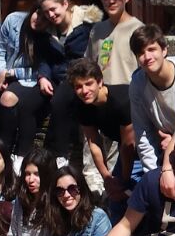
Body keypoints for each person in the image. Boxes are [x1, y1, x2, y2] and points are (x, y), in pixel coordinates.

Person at [48, 58, 135, 204]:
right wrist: (106, 178)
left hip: (144, 147)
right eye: (78, 87)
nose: (84, 91)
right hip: (126, 151)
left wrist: (123, 182)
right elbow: (93, 142)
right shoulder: (81, 105)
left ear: (100, 82)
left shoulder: (122, 100)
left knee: (134, 194)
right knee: (115, 201)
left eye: (89, 84)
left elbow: (128, 146)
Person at [128, 23, 175, 179]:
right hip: (163, 148)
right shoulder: (137, 84)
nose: (147, 57)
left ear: (164, 50)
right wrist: (153, 176)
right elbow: (143, 133)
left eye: (151, 49)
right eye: (141, 53)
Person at [0, 7, 40, 164]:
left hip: (30, 79)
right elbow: (0, 51)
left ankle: (12, 154)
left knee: (9, 98)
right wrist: (0, 74)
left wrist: (10, 73)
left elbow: (41, 70)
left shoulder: (47, 34)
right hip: (4, 76)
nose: (39, 19)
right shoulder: (13, 20)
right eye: (38, 13)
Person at [87, 0, 142, 107]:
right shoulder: (97, 30)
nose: (111, 1)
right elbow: (90, 64)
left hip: (129, 100)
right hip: (102, 99)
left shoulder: (138, 29)